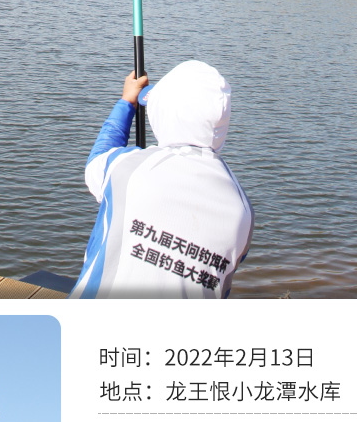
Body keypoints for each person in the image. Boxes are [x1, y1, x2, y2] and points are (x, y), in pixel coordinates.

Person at [71, 59, 253, 298]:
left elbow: (97, 161)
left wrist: (126, 102)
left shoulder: (128, 168)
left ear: (167, 114)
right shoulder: (243, 210)